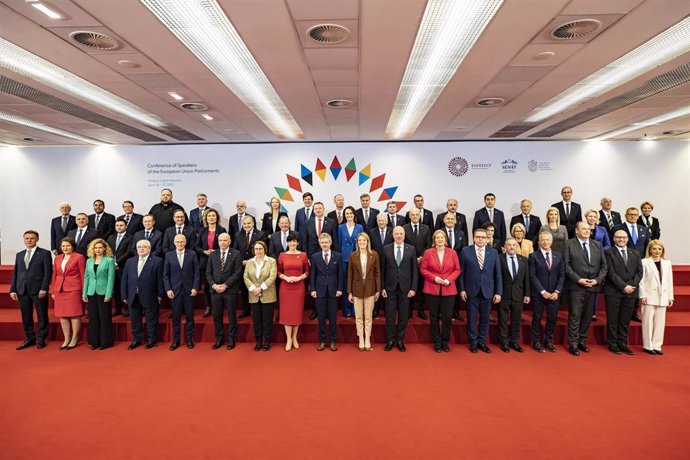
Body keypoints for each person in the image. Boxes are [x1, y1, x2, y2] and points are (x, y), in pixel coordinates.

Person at [564, 222, 608, 356]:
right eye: (584, 229)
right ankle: (573, 343)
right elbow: (566, 265)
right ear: (576, 231)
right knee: (575, 315)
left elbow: (604, 266)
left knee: (588, 316)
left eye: (588, 229)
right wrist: (578, 279)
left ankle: (582, 341)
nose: (587, 231)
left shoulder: (597, 245)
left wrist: (597, 280)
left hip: (593, 286)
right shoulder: (569, 244)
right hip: (576, 286)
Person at [460, 228, 502, 353]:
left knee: (485, 318)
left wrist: (498, 292)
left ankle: (482, 342)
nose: (480, 239)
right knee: (472, 318)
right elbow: (461, 272)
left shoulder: (493, 252)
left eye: (483, 237)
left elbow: (498, 274)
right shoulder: (465, 251)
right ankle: (473, 342)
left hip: (488, 290)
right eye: (478, 237)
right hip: (471, 290)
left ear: (487, 238)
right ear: (474, 238)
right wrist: (462, 289)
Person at [10, 230, 52, 350]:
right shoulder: (19, 254)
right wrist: (13, 289)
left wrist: (44, 288)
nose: (29, 240)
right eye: (26, 238)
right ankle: (30, 338)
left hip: (38, 290)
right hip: (22, 289)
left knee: (42, 315)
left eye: (32, 238)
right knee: (26, 315)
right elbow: (16, 273)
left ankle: (41, 338)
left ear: (37, 239)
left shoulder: (44, 253)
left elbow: (48, 272)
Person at [420, 230, 460, 352]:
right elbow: (423, 269)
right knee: (434, 317)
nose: (440, 240)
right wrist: (434, 278)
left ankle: (445, 341)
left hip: (449, 288)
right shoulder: (428, 252)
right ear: (434, 240)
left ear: (445, 239)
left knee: (447, 317)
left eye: (442, 237)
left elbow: (457, 269)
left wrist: (449, 279)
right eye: (437, 238)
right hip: (432, 288)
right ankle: (437, 342)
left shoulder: (452, 253)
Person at [604, 230, 643, 355]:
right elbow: (610, 272)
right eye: (618, 237)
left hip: (631, 292)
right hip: (614, 291)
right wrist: (623, 286)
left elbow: (639, 272)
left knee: (625, 319)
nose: (621, 239)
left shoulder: (635, 253)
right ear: (614, 239)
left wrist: (631, 285)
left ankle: (623, 343)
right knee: (613, 319)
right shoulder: (608, 252)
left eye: (624, 237)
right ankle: (613, 343)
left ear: (627, 239)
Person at [121, 239, 165, 349]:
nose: (141, 249)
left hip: (150, 295)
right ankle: (137, 339)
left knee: (151, 319)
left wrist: (160, 294)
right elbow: (124, 280)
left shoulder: (157, 261)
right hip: (132, 295)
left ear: (149, 249)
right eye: (139, 247)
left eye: (144, 247)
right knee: (135, 319)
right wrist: (124, 295)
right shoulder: (130, 261)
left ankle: (151, 340)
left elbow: (160, 279)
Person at [381, 226, 418, 352]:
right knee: (390, 316)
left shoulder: (411, 249)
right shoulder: (386, 249)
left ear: (404, 235)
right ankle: (390, 340)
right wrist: (382, 287)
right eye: (396, 234)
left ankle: (400, 340)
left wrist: (413, 288)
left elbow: (415, 271)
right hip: (390, 288)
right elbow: (382, 270)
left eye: (401, 234)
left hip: (405, 288)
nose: (399, 236)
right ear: (393, 235)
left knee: (403, 316)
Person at [612, 207, 651, 323]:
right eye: (630, 214)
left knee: (636, 288)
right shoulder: (617, 228)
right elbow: (612, 245)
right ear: (625, 216)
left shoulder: (643, 229)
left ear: (638, 216)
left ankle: (634, 312)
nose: (632, 216)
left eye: (635, 214)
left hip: (639, 263)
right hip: (621, 263)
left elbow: (647, 247)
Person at [206, 232, 243, 350]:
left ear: (230, 241)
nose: (222, 242)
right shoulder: (213, 254)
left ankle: (232, 339)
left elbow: (238, 272)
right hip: (215, 291)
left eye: (225, 240)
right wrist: (214, 285)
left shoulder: (236, 254)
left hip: (230, 290)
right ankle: (219, 338)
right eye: (220, 240)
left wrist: (226, 285)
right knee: (217, 316)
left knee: (232, 315)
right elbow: (208, 272)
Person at [529, 232, 565, 353]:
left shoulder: (559, 256)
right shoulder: (533, 256)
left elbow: (562, 275)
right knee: (537, 318)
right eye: (543, 240)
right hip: (539, 294)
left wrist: (557, 291)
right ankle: (537, 341)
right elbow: (532, 276)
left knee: (552, 318)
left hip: (554, 294)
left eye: (547, 240)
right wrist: (543, 291)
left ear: (551, 241)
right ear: (539, 242)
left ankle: (548, 341)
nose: (545, 242)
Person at [164, 234, 200, 350]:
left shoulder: (192, 254)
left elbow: (197, 273)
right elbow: (166, 275)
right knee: (176, 317)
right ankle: (176, 340)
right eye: (177, 242)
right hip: (175, 291)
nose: (180, 244)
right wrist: (168, 289)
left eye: (182, 241)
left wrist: (195, 287)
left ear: (185, 242)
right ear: (174, 243)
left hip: (189, 290)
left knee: (190, 316)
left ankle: (189, 339)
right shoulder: (169, 255)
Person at [50, 237, 86, 350]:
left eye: (68, 246)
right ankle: (66, 338)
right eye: (63, 246)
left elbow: (83, 274)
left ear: (73, 246)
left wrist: (83, 291)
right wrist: (53, 290)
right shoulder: (57, 258)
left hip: (74, 289)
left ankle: (75, 338)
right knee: (63, 315)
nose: (65, 248)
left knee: (74, 314)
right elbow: (54, 275)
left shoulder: (79, 257)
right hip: (59, 289)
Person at [639, 240, 674, 355]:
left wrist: (670, 296)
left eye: (659, 249)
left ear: (662, 250)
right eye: (654, 249)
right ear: (650, 250)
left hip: (663, 296)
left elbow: (669, 281)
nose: (657, 251)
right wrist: (642, 295)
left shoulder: (667, 263)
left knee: (660, 323)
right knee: (647, 322)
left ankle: (657, 345)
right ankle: (648, 346)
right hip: (649, 296)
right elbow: (641, 280)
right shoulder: (644, 262)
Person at [347, 233, 380, 351]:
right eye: (360, 240)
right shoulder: (353, 255)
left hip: (370, 289)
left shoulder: (374, 255)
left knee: (368, 317)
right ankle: (361, 338)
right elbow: (350, 275)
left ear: (367, 242)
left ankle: (368, 339)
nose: (362, 242)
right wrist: (349, 292)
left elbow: (377, 273)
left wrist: (378, 290)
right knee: (359, 317)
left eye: (364, 240)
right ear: (357, 242)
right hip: (356, 289)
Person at [277, 232, 310, 351]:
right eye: (290, 241)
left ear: (297, 243)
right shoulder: (282, 255)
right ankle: (288, 339)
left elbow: (307, 272)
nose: (292, 243)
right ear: (288, 242)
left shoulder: (303, 255)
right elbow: (278, 272)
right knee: (287, 313)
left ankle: (295, 337)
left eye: (294, 241)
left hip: (299, 287)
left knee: (296, 312)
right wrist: (286, 278)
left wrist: (299, 278)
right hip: (285, 288)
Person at [310, 233, 342, 351]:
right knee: (321, 317)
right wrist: (312, 289)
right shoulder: (315, 257)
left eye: (326, 242)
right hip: (319, 291)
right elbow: (313, 274)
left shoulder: (337, 256)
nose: (324, 244)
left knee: (333, 317)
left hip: (334, 291)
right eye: (322, 242)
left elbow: (340, 274)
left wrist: (339, 289)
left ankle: (333, 341)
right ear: (320, 243)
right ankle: (322, 341)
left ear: (330, 242)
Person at [244, 240, 278, 351]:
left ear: (265, 249)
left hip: (268, 294)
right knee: (257, 320)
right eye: (256, 249)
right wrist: (254, 289)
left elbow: (272, 277)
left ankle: (267, 341)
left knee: (267, 320)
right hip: (254, 295)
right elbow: (246, 277)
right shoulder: (249, 262)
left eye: (260, 248)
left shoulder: (271, 261)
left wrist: (261, 288)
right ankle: (258, 341)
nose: (258, 251)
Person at [82, 239, 115, 350]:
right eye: (95, 248)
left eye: (100, 248)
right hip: (91, 292)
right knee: (93, 318)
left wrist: (108, 294)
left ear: (104, 248)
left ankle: (105, 342)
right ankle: (94, 342)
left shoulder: (109, 260)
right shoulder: (89, 261)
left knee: (104, 317)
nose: (97, 250)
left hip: (103, 292)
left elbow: (111, 278)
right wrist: (84, 293)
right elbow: (86, 277)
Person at [497, 238, 530, 353]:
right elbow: (497, 277)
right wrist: (497, 292)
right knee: (503, 320)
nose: (511, 247)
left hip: (518, 294)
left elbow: (527, 279)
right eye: (509, 245)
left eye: (514, 245)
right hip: (503, 294)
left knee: (516, 320)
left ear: (517, 247)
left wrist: (527, 294)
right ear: (505, 247)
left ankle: (514, 342)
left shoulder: (524, 260)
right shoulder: (499, 259)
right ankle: (504, 342)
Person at [195, 208, 226, 317]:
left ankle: (218, 306)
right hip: (204, 261)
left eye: (213, 215)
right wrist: (204, 251)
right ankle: (208, 306)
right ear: (206, 218)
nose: (211, 218)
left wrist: (216, 251)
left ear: (217, 218)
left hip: (218, 261)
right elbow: (196, 246)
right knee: (207, 286)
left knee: (218, 283)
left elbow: (226, 245)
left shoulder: (222, 230)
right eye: (209, 216)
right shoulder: (202, 231)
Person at [233, 215, 265, 318]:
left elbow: (262, 249)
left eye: (248, 223)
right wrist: (242, 261)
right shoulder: (238, 234)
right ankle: (246, 309)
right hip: (242, 266)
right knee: (244, 288)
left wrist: (250, 261)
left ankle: (257, 309)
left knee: (256, 286)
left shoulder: (260, 234)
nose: (246, 225)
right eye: (244, 224)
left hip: (257, 265)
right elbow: (235, 250)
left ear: (253, 223)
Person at [403, 207, 432, 319]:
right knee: (408, 287)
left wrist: (421, 257)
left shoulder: (426, 228)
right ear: (409, 216)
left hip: (422, 263)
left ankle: (420, 311)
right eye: (412, 215)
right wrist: (413, 258)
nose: (415, 216)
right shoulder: (404, 228)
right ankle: (408, 311)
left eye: (417, 214)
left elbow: (428, 244)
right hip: (408, 263)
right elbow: (403, 244)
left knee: (420, 287)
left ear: (420, 215)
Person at [585, 208, 611, 322]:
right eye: (590, 216)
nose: (592, 218)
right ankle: (583, 311)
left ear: (597, 218)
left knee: (594, 287)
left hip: (598, 261)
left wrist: (598, 251)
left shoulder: (603, 229)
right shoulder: (581, 227)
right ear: (586, 217)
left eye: (594, 217)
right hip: (583, 260)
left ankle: (593, 313)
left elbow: (608, 245)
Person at [338, 206, 364, 318]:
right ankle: (346, 309)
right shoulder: (340, 227)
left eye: (350, 213)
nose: (349, 215)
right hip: (344, 258)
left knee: (356, 283)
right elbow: (339, 243)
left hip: (356, 258)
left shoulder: (360, 227)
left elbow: (362, 242)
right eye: (346, 213)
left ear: (354, 214)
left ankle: (355, 309)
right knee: (345, 284)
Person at [368, 213, 393, 319]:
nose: (381, 222)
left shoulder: (393, 231)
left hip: (390, 263)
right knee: (376, 286)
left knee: (387, 287)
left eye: (383, 220)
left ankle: (387, 310)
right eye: (379, 221)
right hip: (375, 263)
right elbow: (370, 247)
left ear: (387, 221)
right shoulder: (371, 232)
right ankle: (376, 309)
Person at [107, 219, 132, 316]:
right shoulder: (111, 237)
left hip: (123, 266)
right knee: (115, 288)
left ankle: (126, 308)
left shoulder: (130, 237)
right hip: (111, 267)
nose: (119, 227)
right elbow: (108, 251)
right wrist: (112, 262)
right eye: (117, 225)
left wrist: (117, 262)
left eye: (121, 225)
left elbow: (129, 252)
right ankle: (117, 307)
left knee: (125, 288)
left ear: (126, 226)